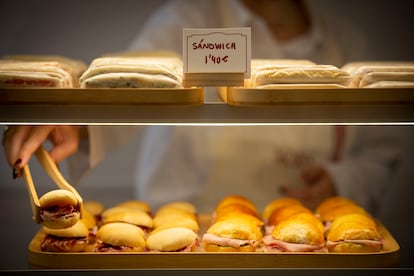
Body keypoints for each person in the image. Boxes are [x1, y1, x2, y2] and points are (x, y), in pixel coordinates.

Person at [2, 0, 401, 214]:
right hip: (186, 240)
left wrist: (343, 181)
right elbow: (129, 83)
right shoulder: (187, 19)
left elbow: (382, 150)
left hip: (302, 238)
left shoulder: (344, 40)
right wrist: (77, 120)